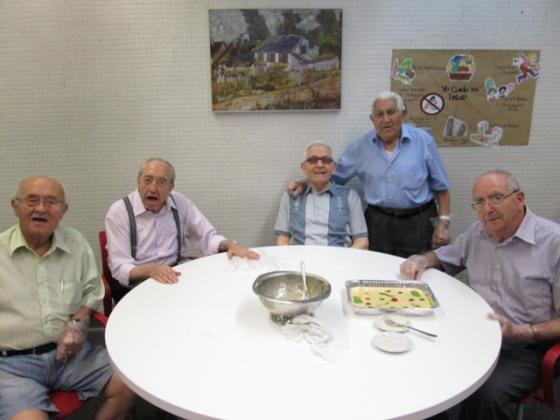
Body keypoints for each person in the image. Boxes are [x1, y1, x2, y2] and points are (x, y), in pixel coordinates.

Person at [400, 170, 560, 420]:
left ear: (519, 199)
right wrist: (421, 260)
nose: (487, 209)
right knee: (420, 364)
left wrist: (521, 332)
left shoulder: (554, 242)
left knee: (486, 394)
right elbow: (443, 258)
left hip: (526, 346)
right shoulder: (478, 232)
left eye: (496, 198)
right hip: (475, 333)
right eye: (479, 202)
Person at [0, 176, 136, 420]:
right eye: (32, 200)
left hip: (70, 356)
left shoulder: (75, 243)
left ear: (64, 210)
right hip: (12, 366)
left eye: (51, 202)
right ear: (15, 206)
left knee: (132, 383)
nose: (41, 209)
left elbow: (93, 290)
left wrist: (77, 323)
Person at [289, 91, 451, 257]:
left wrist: (443, 223)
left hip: (419, 220)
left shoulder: (423, 141)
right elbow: (331, 174)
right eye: (379, 114)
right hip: (379, 222)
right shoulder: (361, 147)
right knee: (377, 269)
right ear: (372, 119)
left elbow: (441, 187)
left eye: (391, 112)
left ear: (402, 114)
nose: (386, 119)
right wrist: (304, 183)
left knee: (418, 268)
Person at [105, 158, 259, 301]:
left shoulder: (180, 203)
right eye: (147, 180)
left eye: (161, 182)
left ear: (171, 187)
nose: (152, 188)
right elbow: (120, 267)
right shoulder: (119, 212)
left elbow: (207, 237)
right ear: (138, 182)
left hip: (175, 277)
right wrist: (150, 270)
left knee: (216, 297)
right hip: (137, 286)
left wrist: (230, 244)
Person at [274, 143, 368, 249]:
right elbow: (282, 239)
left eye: (326, 160)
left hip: (338, 257)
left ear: (334, 167)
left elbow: (362, 241)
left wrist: (344, 259)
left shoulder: (350, 196)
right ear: (303, 167)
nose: (319, 165)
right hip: (300, 258)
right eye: (313, 160)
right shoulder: (291, 195)